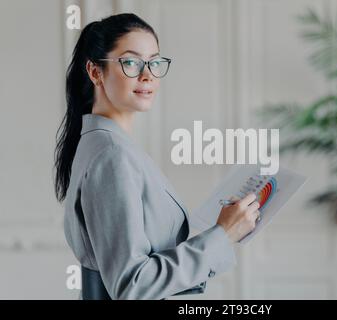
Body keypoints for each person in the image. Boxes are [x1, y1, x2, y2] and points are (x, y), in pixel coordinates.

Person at [53, 13, 260, 300]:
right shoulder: (112, 155)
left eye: (154, 62)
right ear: (95, 72)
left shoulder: (104, 144)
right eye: (131, 62)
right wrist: (222, 235)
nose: (147, 74)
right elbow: (132, 286)